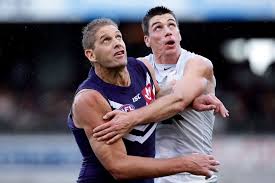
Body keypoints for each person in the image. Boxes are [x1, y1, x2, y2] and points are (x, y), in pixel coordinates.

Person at [67, 18, 221, 183]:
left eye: (118, 37)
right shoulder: (90, 98)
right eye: (106, 40)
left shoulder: (140, 68)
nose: (117, 43)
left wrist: (190, 104)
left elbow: (155, 103)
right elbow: (119, 167)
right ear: (91, 54)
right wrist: (185, 163)